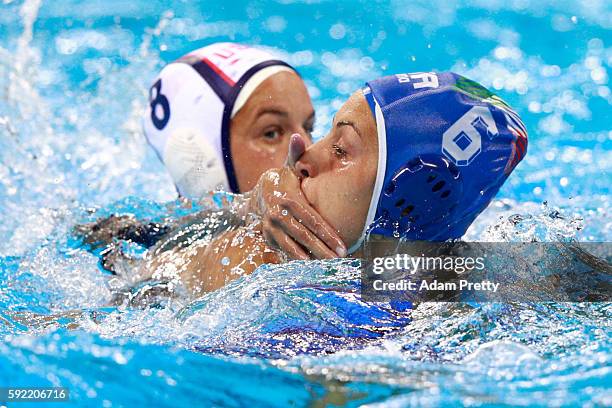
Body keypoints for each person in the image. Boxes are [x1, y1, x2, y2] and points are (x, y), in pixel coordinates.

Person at [139, 71, 528, 295]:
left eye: (340, 149)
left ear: (407, 199)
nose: (302, 156)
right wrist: (256, 201)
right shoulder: (261, 259)